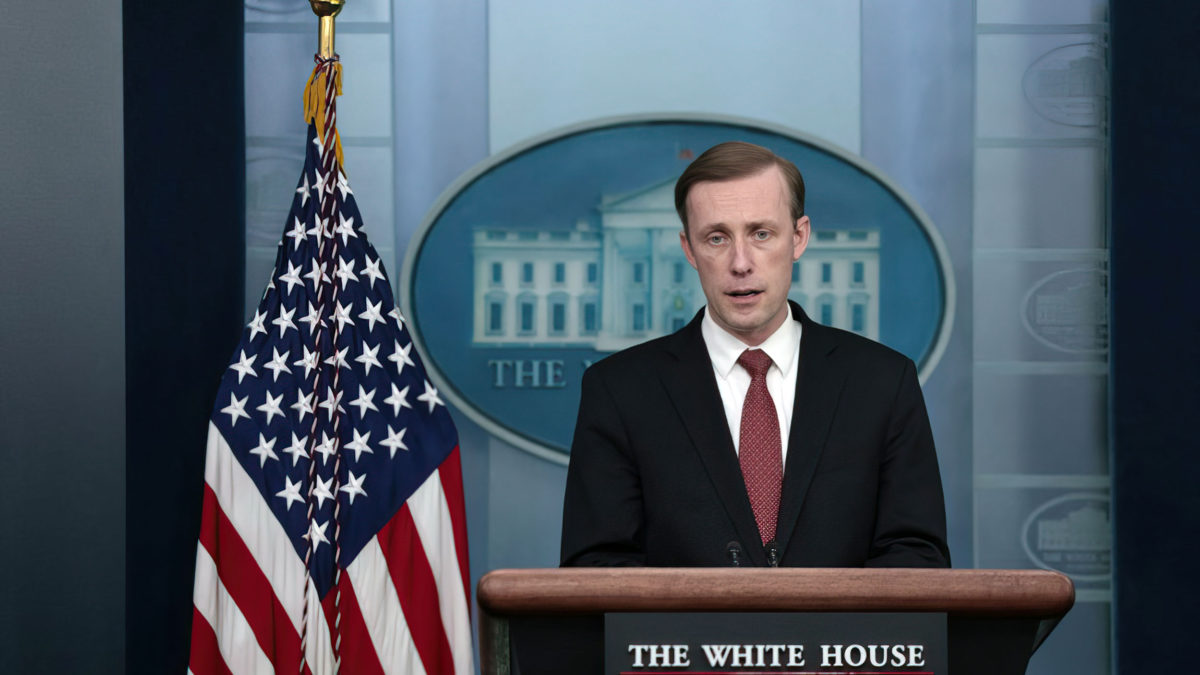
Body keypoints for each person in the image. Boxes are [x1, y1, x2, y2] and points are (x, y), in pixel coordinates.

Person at [560, 141, 949, 568]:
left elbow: (917, 558)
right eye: (716, 238)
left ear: (799, 237)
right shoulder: (619, 390)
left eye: (761, 234)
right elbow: (594, 572)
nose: (740, 263)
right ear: (689, 249)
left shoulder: (882, 382)